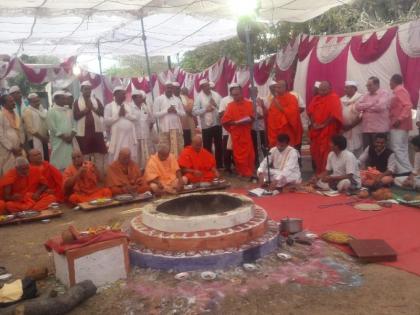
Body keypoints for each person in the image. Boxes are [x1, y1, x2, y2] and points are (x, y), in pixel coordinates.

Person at [307, 81, 343, 174]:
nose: (322, 91)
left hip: (328, 129)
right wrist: (313, 123)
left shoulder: (334, 98)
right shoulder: (316, 98)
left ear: (330, 89)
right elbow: (310, 112)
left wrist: (324, 125)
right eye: (320, 89)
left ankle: (326, 173)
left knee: (326, 152)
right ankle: (319, 172)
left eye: (324, 89)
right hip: (316, 130)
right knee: (316, 152)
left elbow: (334, 114)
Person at [73, 81, 107, 177]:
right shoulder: (76, 101)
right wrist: (86, 110)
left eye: (89, 88)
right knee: (85, 156)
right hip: (83, 133)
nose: (88, 91)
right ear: (81, 90)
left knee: (99, 155)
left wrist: (93, 109)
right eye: (85, 89)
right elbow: (75, 116)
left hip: (97, 132)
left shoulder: (96, 100)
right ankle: (87, 177)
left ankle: (99, 176)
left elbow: (103, 112)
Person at [221, 84, 255, 179]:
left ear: (241, 93)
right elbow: (224, 121)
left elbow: (252, 117)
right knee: (237, 154)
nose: (236, 97)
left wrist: (248, 120)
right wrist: (235, 123)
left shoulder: (249, 104)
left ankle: (249, 171)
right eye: (234, 95)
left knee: (249, 153)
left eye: (237, 94)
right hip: (236, 133)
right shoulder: (230, 106)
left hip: (246, 132)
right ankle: (240, 171)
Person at [193, 79, 223, 168]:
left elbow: (222, 108)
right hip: (206, 126)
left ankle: (219, 165)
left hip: (217, 124)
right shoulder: (198, 97)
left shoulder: (216, 95)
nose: (208, 87)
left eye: (208, 85)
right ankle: (208, 165)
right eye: (205, 86)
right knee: (207, 146)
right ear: (202, 87)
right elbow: (194, 112)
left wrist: (216, 105)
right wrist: (205, 110)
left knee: (219, 145)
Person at [265, 80, 303, 149]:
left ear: (285, 88)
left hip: (287, 131)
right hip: (275, 131)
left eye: (279, 87)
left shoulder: (292, 98)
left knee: (289, 151)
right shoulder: (274, 99)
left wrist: (280, 107)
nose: (276, 89)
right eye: (276, 87)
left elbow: (293, 114)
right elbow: (271, 115)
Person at [355, 77, 390, 149]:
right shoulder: (366, 94)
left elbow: (380, 107)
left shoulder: (384, 93)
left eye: (369, 85)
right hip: (366, 128)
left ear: (377, 85)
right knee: (366, 151)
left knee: (379, 151)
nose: (367, 87)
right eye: (367, 85)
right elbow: (357, 106)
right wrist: (372, 103)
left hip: (379, 129)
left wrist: (365, 107)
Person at [104, 86, 137, 163]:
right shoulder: (109, 106)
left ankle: (129, 172)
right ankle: (117, 173)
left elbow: (135, 118)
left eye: (124, 94)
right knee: (117, 155)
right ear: (115, 95)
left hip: (129, 136)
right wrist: (118, 115)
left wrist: (125, 114)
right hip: (117, 137)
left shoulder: (128, 105)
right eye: (122, 94)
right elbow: (106, 121)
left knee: (129, 154)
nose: (124, 96)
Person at [389, 74, 413, 175]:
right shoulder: (398, 91)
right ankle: (405, 171)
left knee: (397, 147)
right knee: (401, 148)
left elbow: (408, 105)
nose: (389, 84)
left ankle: (406, 171)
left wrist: (399, 119)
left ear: (394, 81)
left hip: (398, 125)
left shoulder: (400, 90)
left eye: (390, 82)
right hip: (399, 125)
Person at [153, 82, 185, 157]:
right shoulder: (159, 99)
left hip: (176, 128)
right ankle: (166, 166)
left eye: (171, 88)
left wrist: (176, 111)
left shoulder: (177, 99)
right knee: (165, 149)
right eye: (168, 87)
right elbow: (155, 114)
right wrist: (167, 111)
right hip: (165, 129)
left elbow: (183, 113)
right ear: (165, 88)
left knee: (179, 148)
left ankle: (178, 165)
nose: (169, 89)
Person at [47, 90, 76, 171]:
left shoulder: (69, 110)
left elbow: (74, 124)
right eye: (63, 99)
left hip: (69, 140)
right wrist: (64, 137)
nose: (65, 100)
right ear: (56, 100)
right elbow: (52, 127)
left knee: (69, 160)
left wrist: (71, 137)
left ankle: (68, 175)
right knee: (57, 160)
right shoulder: (51, 111)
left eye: (65, 99)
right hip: (58, 141)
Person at [0, 94, 24, 176]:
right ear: (4, 104)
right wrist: (11, 147)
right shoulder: (1, 115)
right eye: (10, 101)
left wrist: (21, 143)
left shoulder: (16, 114)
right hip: (7, 149)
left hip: (18, 147)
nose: (13, 103)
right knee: (9, 172)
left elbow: (20, 130)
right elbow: (1, 135)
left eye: (13, 101)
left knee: (21, 170)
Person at [131, 89, 154, 169]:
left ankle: (147, 171)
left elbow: (152, 120)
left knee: (147, 155)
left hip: (146, 136)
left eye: (142, 97)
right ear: (134, 98)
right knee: (136, 156)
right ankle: (136, 172)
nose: (142, 99)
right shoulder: (130, 108)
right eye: (140, 97)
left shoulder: (145, 107)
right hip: (135, 137)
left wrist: (148, 130)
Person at [23, 93, 49, 161]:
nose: (37, 103)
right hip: (34, 139)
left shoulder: (42, 109)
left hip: (44, 138)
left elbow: (45, 123)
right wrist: (41, 137)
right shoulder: (27, 111)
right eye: (35, 102)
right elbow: (30, 128)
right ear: (30, 102)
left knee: (46, 157)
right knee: (37, 158)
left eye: (38, 101)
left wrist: (46, 135)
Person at [341, 81, 363, 157]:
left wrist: (351, 125)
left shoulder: (361, 98)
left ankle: (358, 168)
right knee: (347, 150)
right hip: (345, 129)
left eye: (347, 88)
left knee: (358, 150)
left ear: (354, 88)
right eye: (345, 88)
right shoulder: (342, 99)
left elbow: (362, 114)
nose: (344, 89)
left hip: (356, 127)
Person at [218, 85, 234, 173]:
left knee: (236, 149)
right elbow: (221, 113)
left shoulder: (241, 99)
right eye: (234, 90)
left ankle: (237, 166)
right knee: (227, 149)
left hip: (237, 129)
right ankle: (227, 167)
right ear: (230, 90)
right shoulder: (224, 100)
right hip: (227, 130)